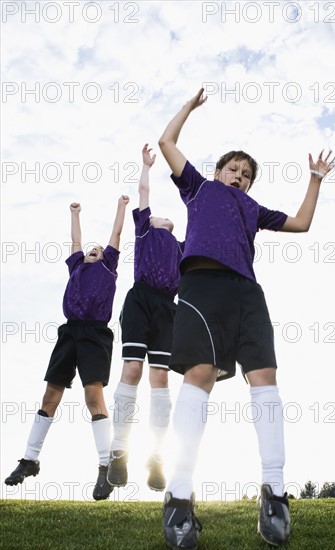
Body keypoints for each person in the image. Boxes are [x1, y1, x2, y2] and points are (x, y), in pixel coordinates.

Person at [158, 87, 335, 548]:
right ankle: (178, 499)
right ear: (219, 171)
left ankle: (274, 494)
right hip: (201, 288)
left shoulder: (253, 209)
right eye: (233, 169)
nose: (239, 177)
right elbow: (166, 144)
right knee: (199, 375)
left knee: (265, 376)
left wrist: (315, 179)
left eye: (247, 175)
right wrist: (187, 108)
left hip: (246, 294)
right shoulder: (198, 187)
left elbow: (301, 224)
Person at [4, 196, 130, 501]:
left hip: (96, 334)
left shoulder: (109, 267)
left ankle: (104, 468)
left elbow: (115, 235)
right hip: (69, 331)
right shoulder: (77, 265)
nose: (94, 250)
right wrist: (75, 213)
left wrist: (121, 208)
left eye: (98, 250)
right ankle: (29, 460)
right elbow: (76, 240)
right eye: (90, 249)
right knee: (51, 394)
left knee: (92, 395)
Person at [108, 144, 183, 492]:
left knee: (160, 378)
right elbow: (144, 191)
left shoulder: (182, 247)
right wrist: (146, 166)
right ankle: (119, 451)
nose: (162, 216)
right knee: (132, 370)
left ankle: (155, 457)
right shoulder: (144, 230)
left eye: (168, 216)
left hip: (168, 306)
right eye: (157, 214)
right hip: (140, 301)